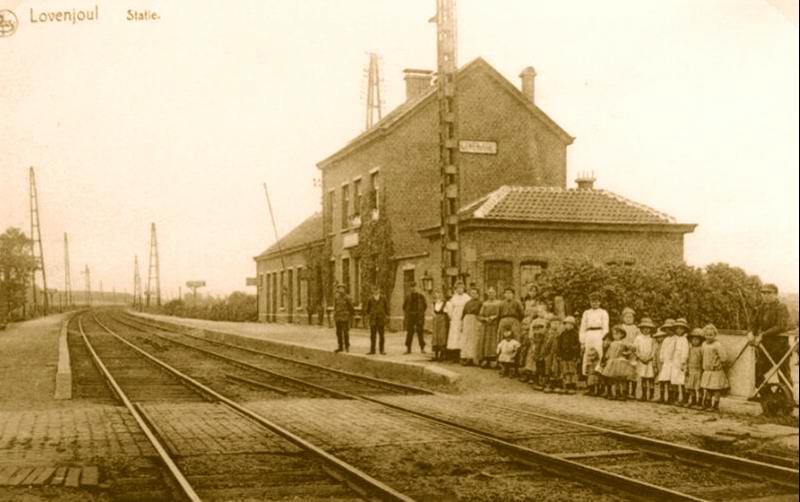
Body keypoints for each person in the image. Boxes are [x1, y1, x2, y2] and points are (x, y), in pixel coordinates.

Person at [748, 283, 791, 391]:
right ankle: (769, 399)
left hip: (780, 348)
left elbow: (781, 326)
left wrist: (763, 334)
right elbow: (753, 323)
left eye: (768, 293)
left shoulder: (781, 307)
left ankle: (787, 402)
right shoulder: (760, 308)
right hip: (765, 348)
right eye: (763, 293)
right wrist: (750, 332)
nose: (765, 295)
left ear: (776, 294)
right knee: (756, 374)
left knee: (784, 376)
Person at [602, 325, 636, 400]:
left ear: (622, 334)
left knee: (622, 379)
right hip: (612, 361)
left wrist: (627, 353)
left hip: (621, 361)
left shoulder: (623, 343)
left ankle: (623, 393)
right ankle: (617, 393)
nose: (615, 336)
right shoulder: (612, 343)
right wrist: (607, 358)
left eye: (617, 334)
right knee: (615, 378)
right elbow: (608, 353)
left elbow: (633, 348)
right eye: (614, 334)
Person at [579, 292, 609, 377]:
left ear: (600, 302)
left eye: (597, 301)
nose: (595, 303)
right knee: (588, 355)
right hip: (589, 335)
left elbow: (605, 326)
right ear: (590, 302)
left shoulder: (603, 312)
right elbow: (583, 327)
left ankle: (599, 378)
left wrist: (604, 339)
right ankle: (589, 379)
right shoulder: (586, 313)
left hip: (599, 335)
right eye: (592, 301)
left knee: (599, 354)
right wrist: (582, 341)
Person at [700, 324, 729, 410]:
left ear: (714, 335)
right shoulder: (704, 344)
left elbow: (723, 357)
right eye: (707, 335)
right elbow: (702, 355)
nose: (709, 337)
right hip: (707, 370)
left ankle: (716, 404)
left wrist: (718, 364)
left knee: (716, 389)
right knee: (708, 388)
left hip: (716, 371)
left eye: (711, 335)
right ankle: (707, 403)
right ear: (704, 335)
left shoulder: (717, 345)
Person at [445, 282, 471, 361]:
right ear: (456, 289)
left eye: (461, 288)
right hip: (455, 319)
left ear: (464, 289)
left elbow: (468, 307)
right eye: (458, 288)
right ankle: (454, 354)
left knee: (463, 335)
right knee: (454, 336)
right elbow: (450, 309)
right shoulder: (453, 298)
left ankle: (462, 354)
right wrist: (452, 317)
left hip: (463, 317)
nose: (460, 290)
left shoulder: (467, 297)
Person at [634, 318, 657, 401]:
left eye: (648, 328)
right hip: (642, 360)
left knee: (650, 378)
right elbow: (635, 349)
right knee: (643, 377)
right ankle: (643, 395)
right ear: (641, 329)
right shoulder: (638, 338)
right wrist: (640, 357)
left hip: (649, 361)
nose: (646, 330)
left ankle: (651, 394)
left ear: (651, 329)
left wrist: (650, 357)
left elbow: (654, 349)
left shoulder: (653, 339)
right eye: (644, 328)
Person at [477, 287, 501, 369]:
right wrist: (485, 319)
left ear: (496, 294)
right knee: (486, 341)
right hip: (486, 325)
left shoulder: (499, 303)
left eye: (493, 293)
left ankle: (494, 359)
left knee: (494, 341)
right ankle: (486, 359)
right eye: (490, 293)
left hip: (495, 325)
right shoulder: (485, 304)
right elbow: (480, 315)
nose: (491, 295)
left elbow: (500, 314)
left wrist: (494, 317)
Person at [557, 316, 581, 394]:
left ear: (573, 325)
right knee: (565, 371)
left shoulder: (575, 334)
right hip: (564, 355)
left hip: (572, 356)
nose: (568, 326)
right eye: (566, 324)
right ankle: (566, 385)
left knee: (572, 371)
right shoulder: (563, 334)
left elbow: (577, 346)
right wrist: (559, 354)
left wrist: (576, 356)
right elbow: (559, 345)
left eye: (570, 324)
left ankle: (572, 386)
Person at [620, 307, 641, 398]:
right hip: (624, 351)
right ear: (623, 318)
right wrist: (625, 345)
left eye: (631, 317)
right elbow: (620, 338)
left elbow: (638, 339)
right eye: (626, 317)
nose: (628, 319)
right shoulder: (621, 327)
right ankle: (625, 391)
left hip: (633, 352)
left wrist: (633, 346)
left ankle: (632, 392)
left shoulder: (636, 329)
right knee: (624, 372)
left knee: (633, 372)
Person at [460, 287, 483, 365]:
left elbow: (481, 313)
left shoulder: (480, 303)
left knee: (474, 339)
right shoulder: (467, 303)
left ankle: (474, 358)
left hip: (475, 320)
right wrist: (462, 323)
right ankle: (467, 357)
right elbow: (463, 313)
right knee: (467, 339)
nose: (473, 295)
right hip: (467, 320)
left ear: (478, 294)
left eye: (475, 293)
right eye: (472, 293)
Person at [402, 282, 428, 354]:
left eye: (415, 287)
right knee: (410, 332)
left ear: (417, 288)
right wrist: (409, 313)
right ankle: (408, 348)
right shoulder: (408, 297)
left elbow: (425, 306)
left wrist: (420, 313)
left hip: (418, 316)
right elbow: (404, 307)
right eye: (412, 287)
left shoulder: (421, 297)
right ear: (410, 288)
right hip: (411, 316)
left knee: (420, 332)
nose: (413, 288)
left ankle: (422, 348)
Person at [521, 317, 546, 384]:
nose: (537, 330)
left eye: (539, 329)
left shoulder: (543, 336)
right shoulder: (534, 335)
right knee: (529, 360)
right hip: (533, 348)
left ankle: (534, 377)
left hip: (539, 350)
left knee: (536, 364)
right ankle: (528, 374)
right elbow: (531, 338)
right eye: (535, 329)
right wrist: (532, 343)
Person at [364, 286, 389, 355]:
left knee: (381, 335)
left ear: (379, 290)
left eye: (377, 290)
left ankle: (382, 350)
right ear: (373, 291)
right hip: (373, 320)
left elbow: (387, 308)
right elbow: (367, 309)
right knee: (372, 336)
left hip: (381, 319)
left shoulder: (383, 298)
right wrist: (370, 315)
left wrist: (386, 316)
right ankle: (372, 350)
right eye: (374, 290)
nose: (376, 291)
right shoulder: (370, 299)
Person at [653, 320, 673, 402]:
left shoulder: (672, 340)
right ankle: (661, 396)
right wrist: (655, 365)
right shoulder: (658, 345)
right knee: (661, 381)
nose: (659, 339)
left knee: (669, 381)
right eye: (658, 337)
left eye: (661, 337)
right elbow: (656, 356)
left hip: (668, 363)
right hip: (660, 365)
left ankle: (670, 397)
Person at [684, 328, 704, 407]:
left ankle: (699, 402)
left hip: (698, 370)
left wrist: (702, 369)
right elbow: (687, 359)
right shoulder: (690, 349)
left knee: (698, 387)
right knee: (691, 386)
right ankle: (693, 400)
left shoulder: (701, 349)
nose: (695, 341)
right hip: (691, 369)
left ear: (700, 340)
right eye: (693, 339)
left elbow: (702, 360)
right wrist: (687, 368)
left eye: (697, 339)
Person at [541, 316, 562, 392]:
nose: (555, 325)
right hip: (549, 353)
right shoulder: (547, 333)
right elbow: (544, 344)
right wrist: (544, 353)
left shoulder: (561, 333)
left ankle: (557, 384)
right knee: (548, 368)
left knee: (557, 368)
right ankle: (548, 384)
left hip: (557, 354)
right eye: (554, 323)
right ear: (550, 324)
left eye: (557, 323)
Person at [333, 284, 355, 353]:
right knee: (338, 333)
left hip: (345, 317)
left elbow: (351, 308)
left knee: (345, 332)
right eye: (339, 289)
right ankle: (340, 347)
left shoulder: (347, 298)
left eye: (342, 288)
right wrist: (335, 315)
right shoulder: (337, 298)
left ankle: (347, 346)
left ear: (344, 289)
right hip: (338, 317)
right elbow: (335, 307)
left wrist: (351, 316)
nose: (340, 290)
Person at [430, 290, 450, 361]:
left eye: (440, 294)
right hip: (436, 321)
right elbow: (432, 311)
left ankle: (442, 355)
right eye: (437, 294)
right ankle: (435, 354)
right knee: (435, 336)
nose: (438, 295)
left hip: (442, 320)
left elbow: (448, 312)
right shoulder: (434, 303)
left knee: (442, 336)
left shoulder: (445, 303)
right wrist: (433, 315)